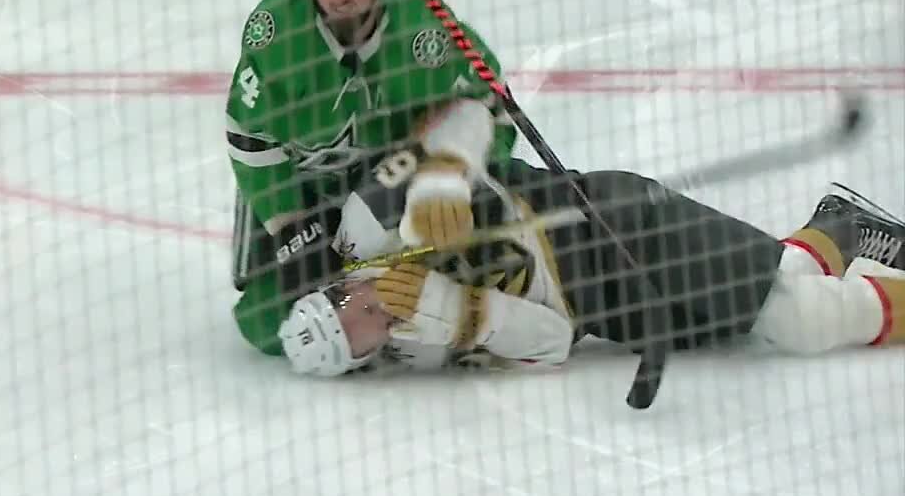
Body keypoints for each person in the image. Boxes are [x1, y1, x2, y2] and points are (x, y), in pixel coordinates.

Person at [274, 133, 905, 376]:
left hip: (612, 226)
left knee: (800, 320)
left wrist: (431, 218)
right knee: (775, 291)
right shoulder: (415, 341)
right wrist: (464, 312)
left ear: (337, 290)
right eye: (363, 350)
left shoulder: (370, 223)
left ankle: (841, 233)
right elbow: (553, 341)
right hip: (611, 307)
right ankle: (841, 224)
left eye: (352, 318)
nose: (374, 329)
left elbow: (464, 163)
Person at [227, 0, 519, 354]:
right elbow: (250, 140)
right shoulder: (276, 34)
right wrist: (292, 227)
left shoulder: (423, 29)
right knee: (267, 325)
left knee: (475, 265)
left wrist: (455, 175)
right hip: (305, 188)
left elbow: (489, 104)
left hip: (396, 178)